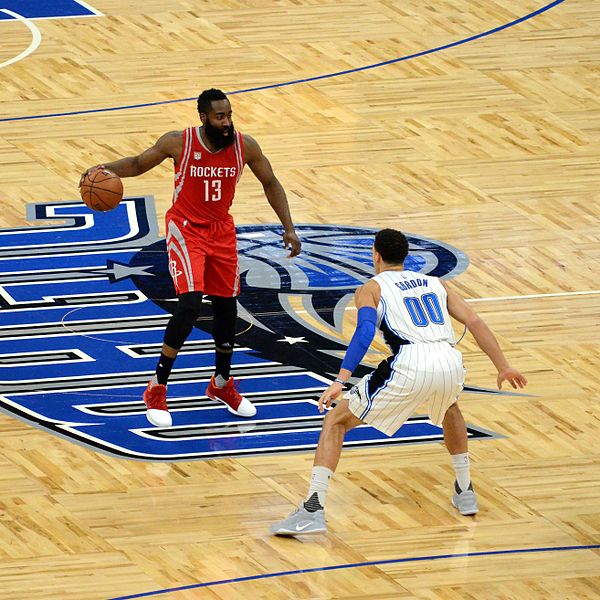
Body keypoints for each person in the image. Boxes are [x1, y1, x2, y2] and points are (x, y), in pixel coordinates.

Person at [270, 228, 527, 536]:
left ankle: (313, 509)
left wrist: (341, 379)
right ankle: (465, 490)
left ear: (376, 255)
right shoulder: (437, 283)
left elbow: (365, 332)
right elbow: (474, 321)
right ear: (406, 256)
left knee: (336, 421)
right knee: (450, 408)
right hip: (449, 358)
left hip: (410, 361)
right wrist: (503, 366)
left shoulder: (372, 288)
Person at [80, 88, 301, 428]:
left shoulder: (245, 145)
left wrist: (289, 227)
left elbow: (270, 182)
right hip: (185, 228)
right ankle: (157, 387)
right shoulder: (178, 142)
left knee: (228, 307)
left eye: (228, 115)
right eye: (219, 117)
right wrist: (101, 169)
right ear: (203, 117)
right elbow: (139, 164)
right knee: (190, 304)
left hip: (221, 229)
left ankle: (222, 384)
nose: (226, 122)